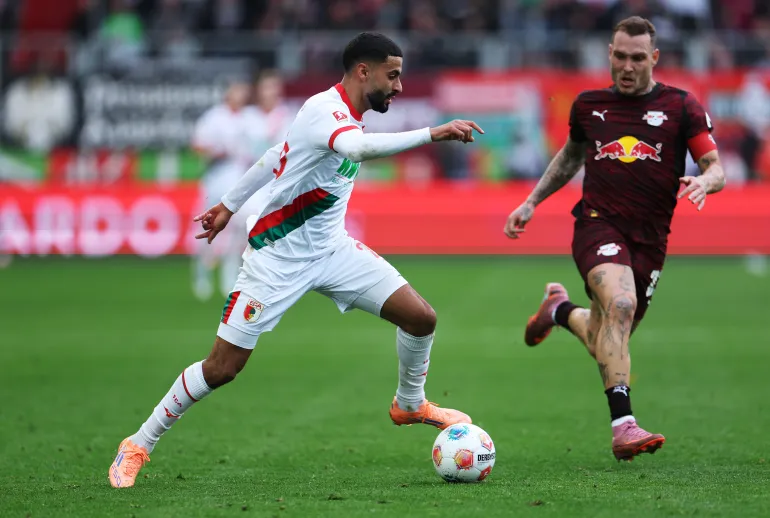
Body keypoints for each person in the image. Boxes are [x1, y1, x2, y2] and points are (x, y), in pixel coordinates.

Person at [109, 32, 483, 488]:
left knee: (421, 318)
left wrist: (227, 204)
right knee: (222, 368)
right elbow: (357, 150)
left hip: (332, 251)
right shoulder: (324, 111)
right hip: (277, 259)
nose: (399, 87)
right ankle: (138, 443)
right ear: (363, 72)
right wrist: (435, 131)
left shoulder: (344, 114)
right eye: (393, 76)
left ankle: (409, 404)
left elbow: (275, 156)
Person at [503, 16, 726, 461]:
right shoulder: (588, 106)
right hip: (597, 225)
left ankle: (560, 310)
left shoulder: (682, 107)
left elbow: (714, 165)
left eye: (637, 58)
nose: (627, 66)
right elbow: (570, 158)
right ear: (610, 54)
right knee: (621, 305)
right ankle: (623, 425)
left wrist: (707, 181)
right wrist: (531, 202)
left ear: (654, 58)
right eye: (620, 56)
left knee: (607, 338)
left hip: (650, 240)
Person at [190, 79, 263, 301]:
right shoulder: (214, 117)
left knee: (238, 230)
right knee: (208, 227)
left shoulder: (250, 118)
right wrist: (216, 151)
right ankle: (201, 275)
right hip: (216, 179)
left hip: (239, 181)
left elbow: (260, 145)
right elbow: (197, 145)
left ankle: (229, 278)